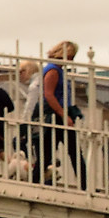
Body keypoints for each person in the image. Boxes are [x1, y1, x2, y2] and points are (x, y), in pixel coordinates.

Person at [35, 41, 84, 188]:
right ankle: (85, 184)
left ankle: (35, 179)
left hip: (57, 114)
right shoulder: (54, 71)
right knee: (73, 151)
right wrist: (64, 115)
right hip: (57, 115)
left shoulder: (54, 69)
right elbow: (49, 95)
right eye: (71, 56)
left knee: (49, 153)